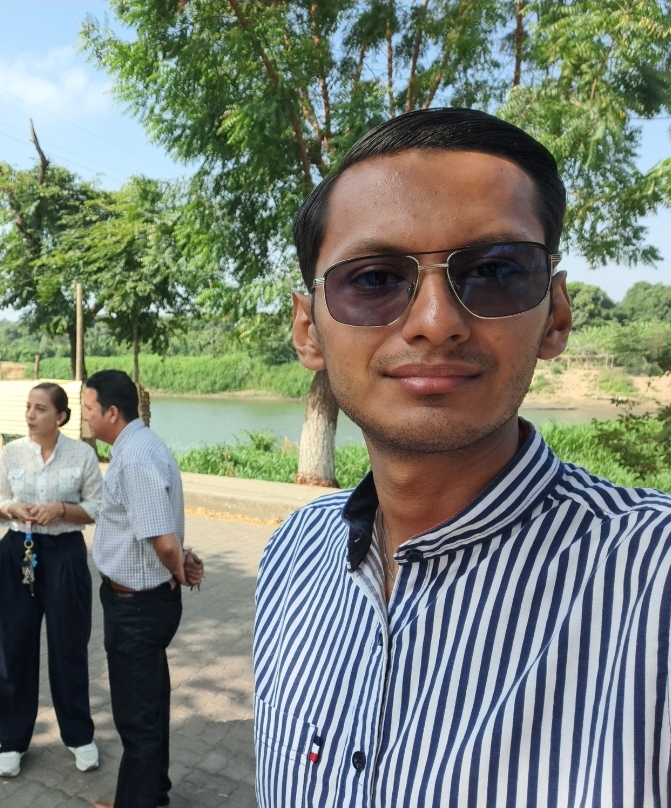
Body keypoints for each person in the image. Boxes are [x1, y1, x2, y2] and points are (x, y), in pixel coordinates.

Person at [254, 107, 671, 807]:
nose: (435, 322)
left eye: (495, 270)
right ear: (308, 331)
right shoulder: (292, 556)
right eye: (374, 279)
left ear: (555, 316)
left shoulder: (651, 582)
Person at [82, 369, 204, 808]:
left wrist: (178, 567)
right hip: (141, 602)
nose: (84, 417)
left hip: (136, 609)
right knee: (150, 705)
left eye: (89, 409)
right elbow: (160, 535)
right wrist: (178, 561)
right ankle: (152, 795)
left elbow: (163, 541)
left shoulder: (134, 458)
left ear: (112, 412)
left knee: (137, 720)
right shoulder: (139, 446)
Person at [0, 382, 105, 777]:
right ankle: (12, 741)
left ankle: (79, 735)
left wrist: (61, 510)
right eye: (28, 407)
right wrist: (12, 509)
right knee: (14, 647)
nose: (30, 415)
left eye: (40, 408)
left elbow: (96, 507)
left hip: (64, 555)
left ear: (61, 417)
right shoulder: (11, 452)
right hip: (19, 551)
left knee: (68, 646)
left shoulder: (82, 454)